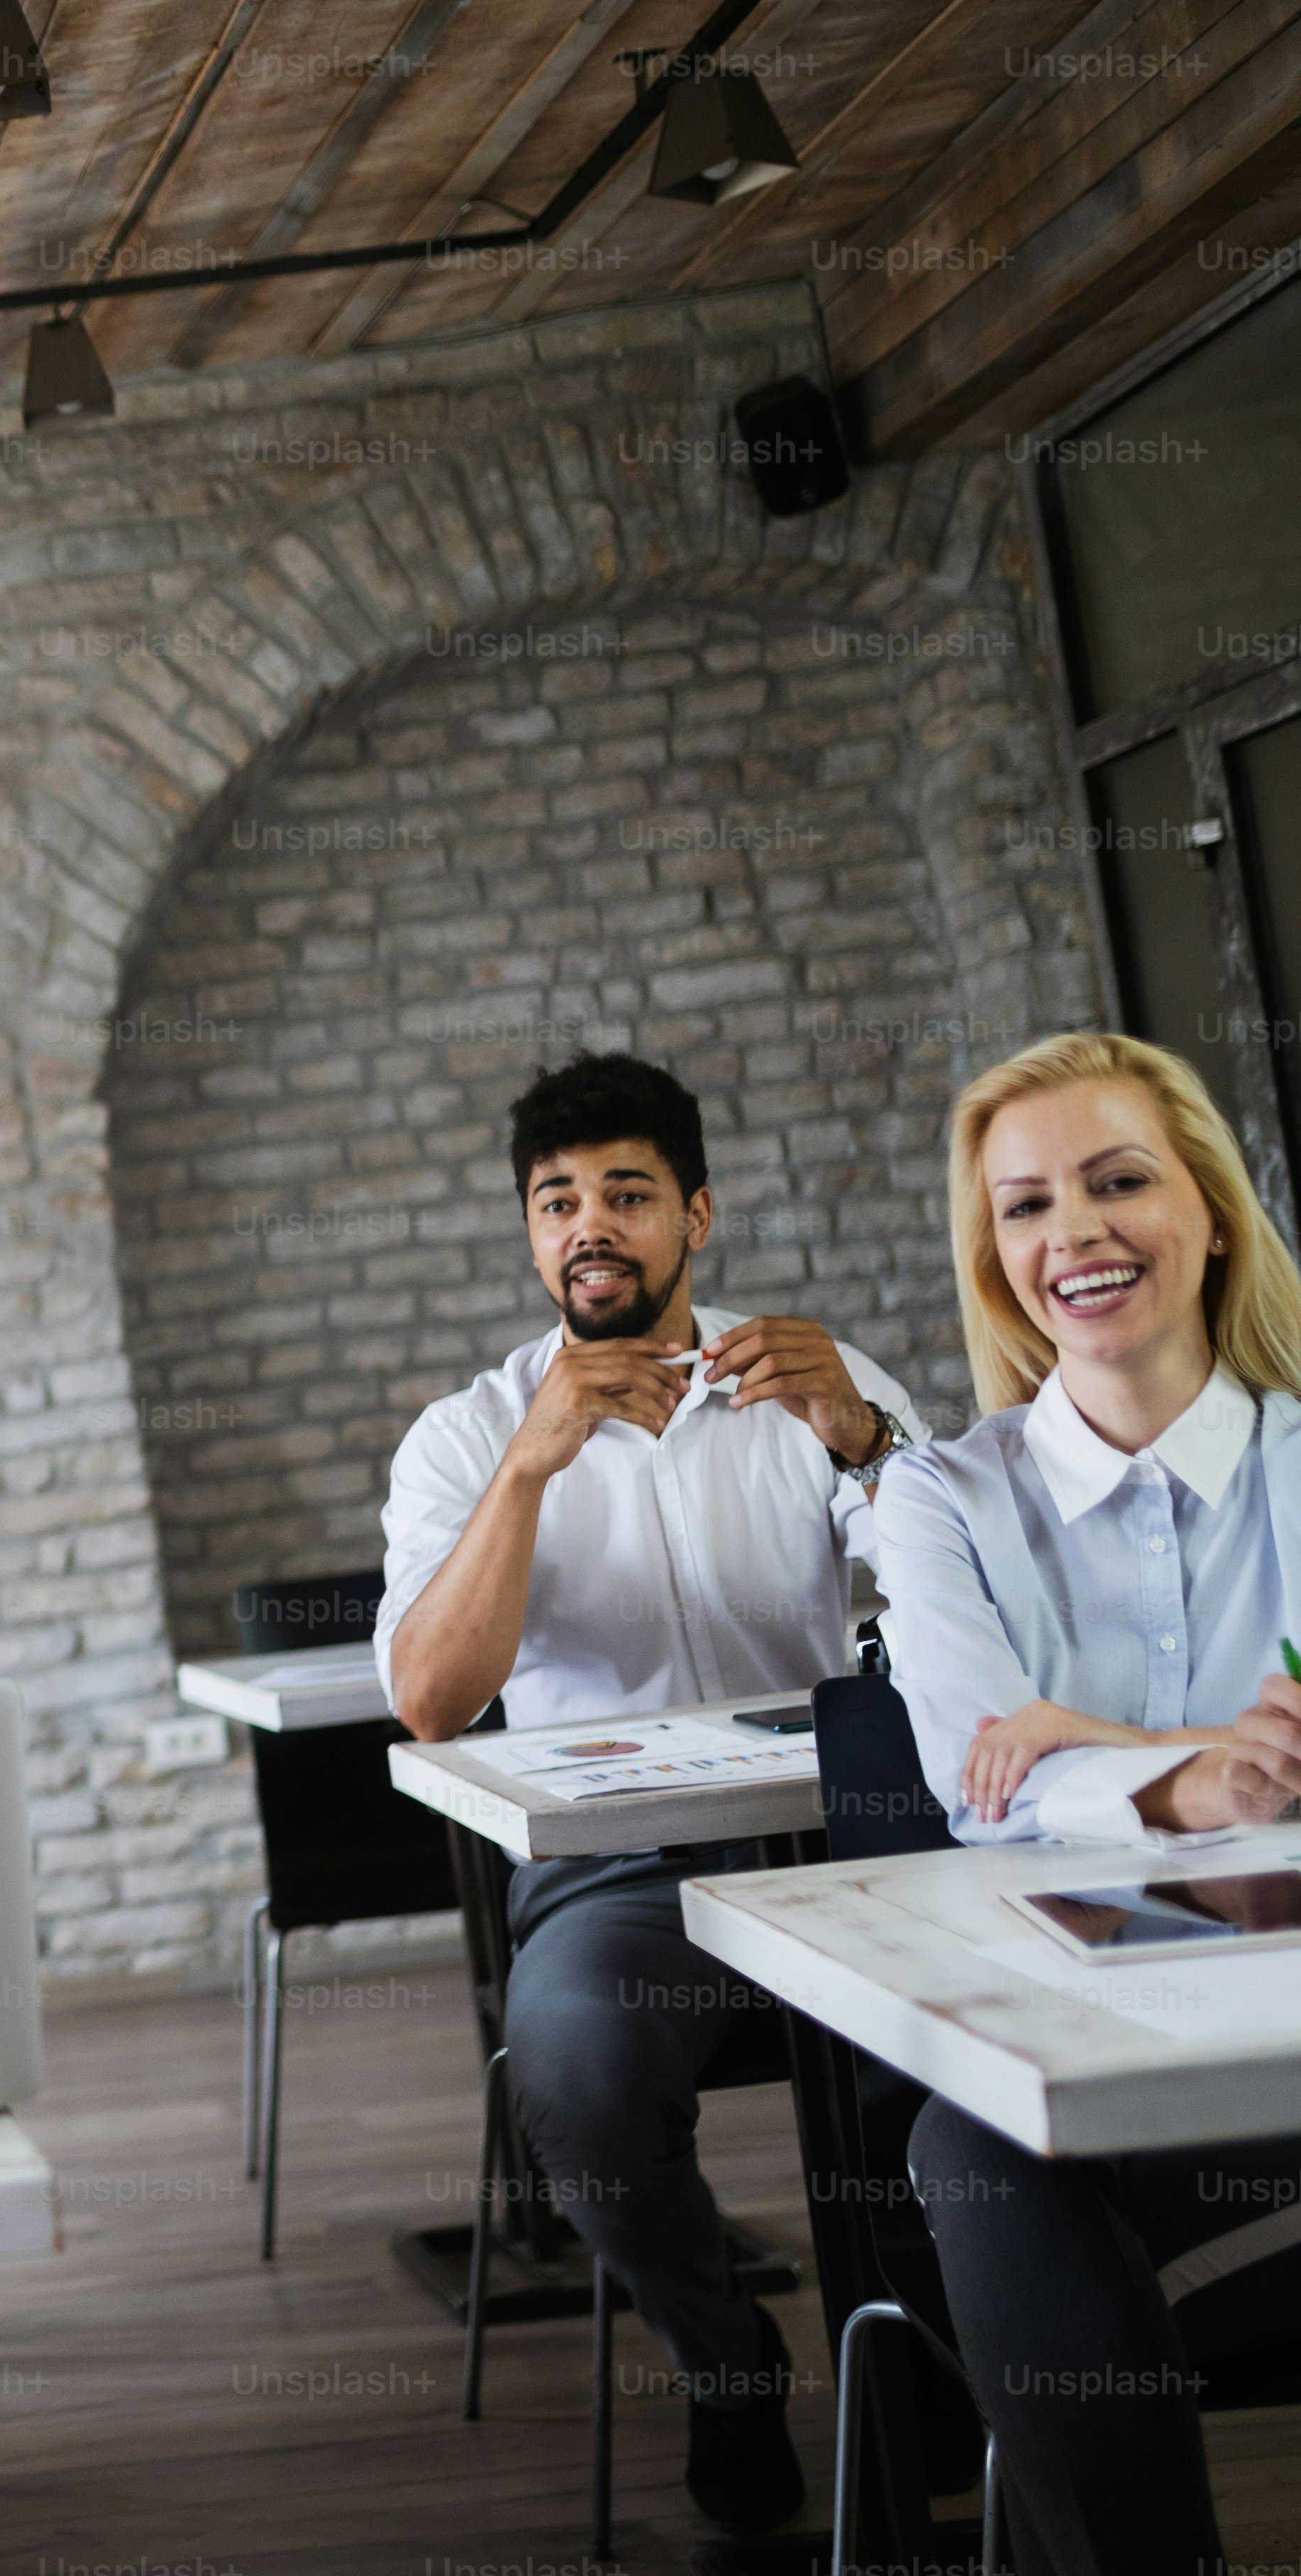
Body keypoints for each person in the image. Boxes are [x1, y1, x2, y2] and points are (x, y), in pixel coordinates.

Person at [375, 1054, 920, 2536]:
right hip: (623, 1878)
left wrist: (869, 1443)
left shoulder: (816, 1372)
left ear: (697, 1213)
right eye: (558, 1203)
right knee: (576, 2076)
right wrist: (529, 1474)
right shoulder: (466, 1437)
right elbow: (429, 1697)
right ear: (529, 1237)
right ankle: (724, 2356)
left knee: (936, 2079)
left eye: (626, 1194)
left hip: (846, 1849)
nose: (590, 1226)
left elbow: (971, 1614)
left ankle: (923, 2390)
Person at [872, 1031, 1301, 2576]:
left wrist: (1092, 1740)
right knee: (969, 2155)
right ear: (996, 1256)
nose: (1078, 1236)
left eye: (1120, 1183)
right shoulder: (939, 1498)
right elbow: (980, 1782)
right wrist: (1204, 1764)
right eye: (1029, 1206)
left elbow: (1047, 1766)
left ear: (1212, 1211)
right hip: (1094, 2071)